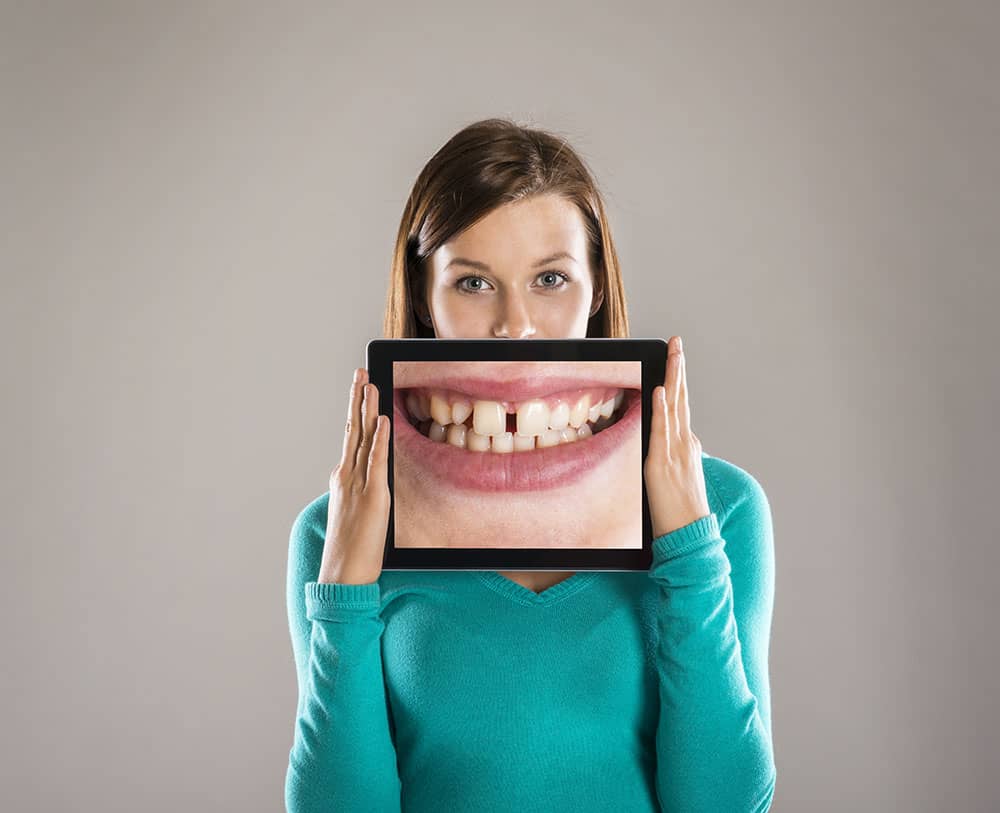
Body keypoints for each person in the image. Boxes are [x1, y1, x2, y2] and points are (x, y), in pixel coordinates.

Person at [284, 119, 777, 812]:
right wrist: (343, 591)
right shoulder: (334, 533)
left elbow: (725, 804)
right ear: (426, 300)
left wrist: (690, 549)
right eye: (473, 283)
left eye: (550, 278)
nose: (515, 323)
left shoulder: (721, 506)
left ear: (597, 288)